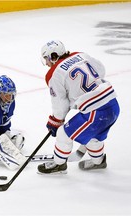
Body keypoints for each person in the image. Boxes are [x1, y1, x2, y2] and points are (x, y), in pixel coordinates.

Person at [37, 40, 120, 174]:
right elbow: (101, 70)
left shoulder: (54, 74)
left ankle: (59, 165)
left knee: (63, 134)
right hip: (113, 104)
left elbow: (60, 103)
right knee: (93, 135)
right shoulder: (81, 55)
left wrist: (55, 121)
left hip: (96, 112)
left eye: (47, 58)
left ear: (53, 56)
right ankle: (98, 162)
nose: (46, 63)